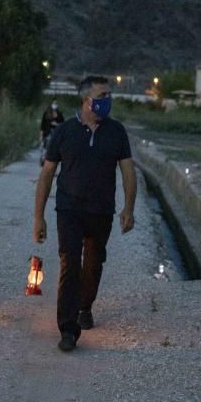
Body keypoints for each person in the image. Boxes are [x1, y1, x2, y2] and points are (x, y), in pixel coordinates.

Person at [33, 76, 137, 352]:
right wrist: (38, 217)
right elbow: (46, 175)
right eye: (102, 95)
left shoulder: (116, 132)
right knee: (69, 264)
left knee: (93, 264)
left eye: (108, 95)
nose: (107, 100)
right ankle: (68, 329)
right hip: (69, 209)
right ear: (86, 99)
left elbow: (128, 170)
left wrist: (129, 208)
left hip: (101, 210)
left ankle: (85, 306)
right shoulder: (65, 132)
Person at [39, 101, 65, 165]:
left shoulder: (59, 114)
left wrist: (56, 124)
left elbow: (63, 125)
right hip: (47, 133)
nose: (55, 105)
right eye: (54, 103)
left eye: (56, 103)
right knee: (45, 147)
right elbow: (43, 125)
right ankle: (43, 160)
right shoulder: (46, 113)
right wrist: (41, 135)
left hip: (56, 134)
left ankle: (51, 162)